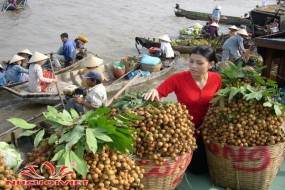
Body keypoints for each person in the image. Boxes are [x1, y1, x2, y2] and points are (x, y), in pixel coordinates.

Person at [143, 45, 222, 174]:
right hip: (184, 131)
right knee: (197, 170)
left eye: (199, 63)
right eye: (191, 61)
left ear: (211, 64)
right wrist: (152, 91)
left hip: (207, 129)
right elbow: (159, 92)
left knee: (214, 166)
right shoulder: (177, 78)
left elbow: (218, 104)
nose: (193, 66)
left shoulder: (216, 79)